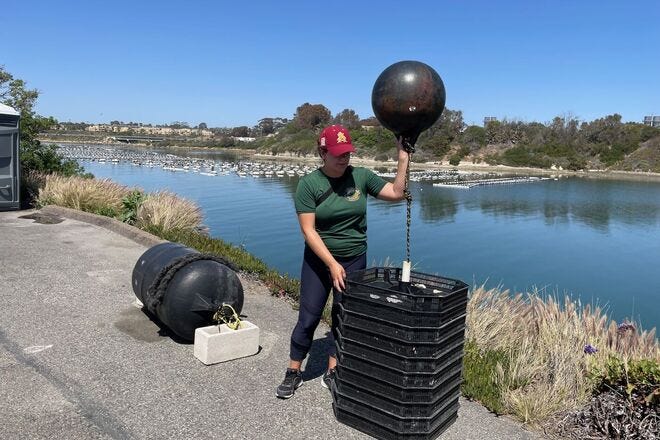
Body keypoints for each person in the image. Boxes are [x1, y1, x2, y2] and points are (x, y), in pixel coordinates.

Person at [276, 124, 410, 399]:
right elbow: (308, 231)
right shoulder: (309, 184)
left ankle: (333, 371)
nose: (343, 158)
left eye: (347, 152)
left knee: (343, 318)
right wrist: (331, 263)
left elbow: (396, 194)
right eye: (337, 153)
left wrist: (403, 158)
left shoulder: (361, 177)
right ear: (322, 152)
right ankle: (293, 371)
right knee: (309, 318)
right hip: (318, 261)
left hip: (353, 260)